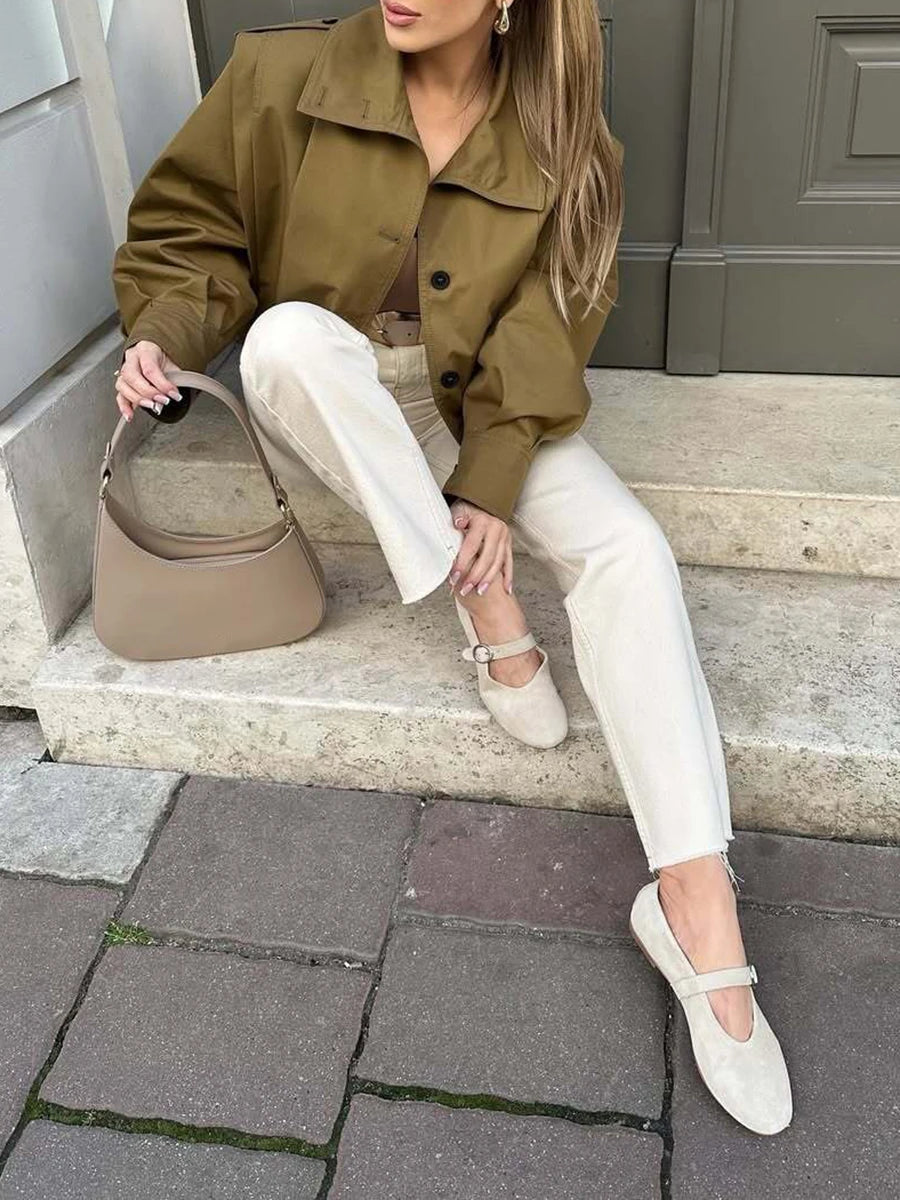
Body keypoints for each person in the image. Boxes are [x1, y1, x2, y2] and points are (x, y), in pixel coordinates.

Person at [111, 1, 791, 1134]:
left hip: (474, 403)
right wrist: (165, 334)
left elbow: (560, 303)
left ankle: (695, 902)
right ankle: (484, 594)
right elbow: (194, 229)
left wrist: (493, 471)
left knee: (629, 549)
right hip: (328, 391)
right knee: (285, 338)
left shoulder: (563, 123)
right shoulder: (284, 73)